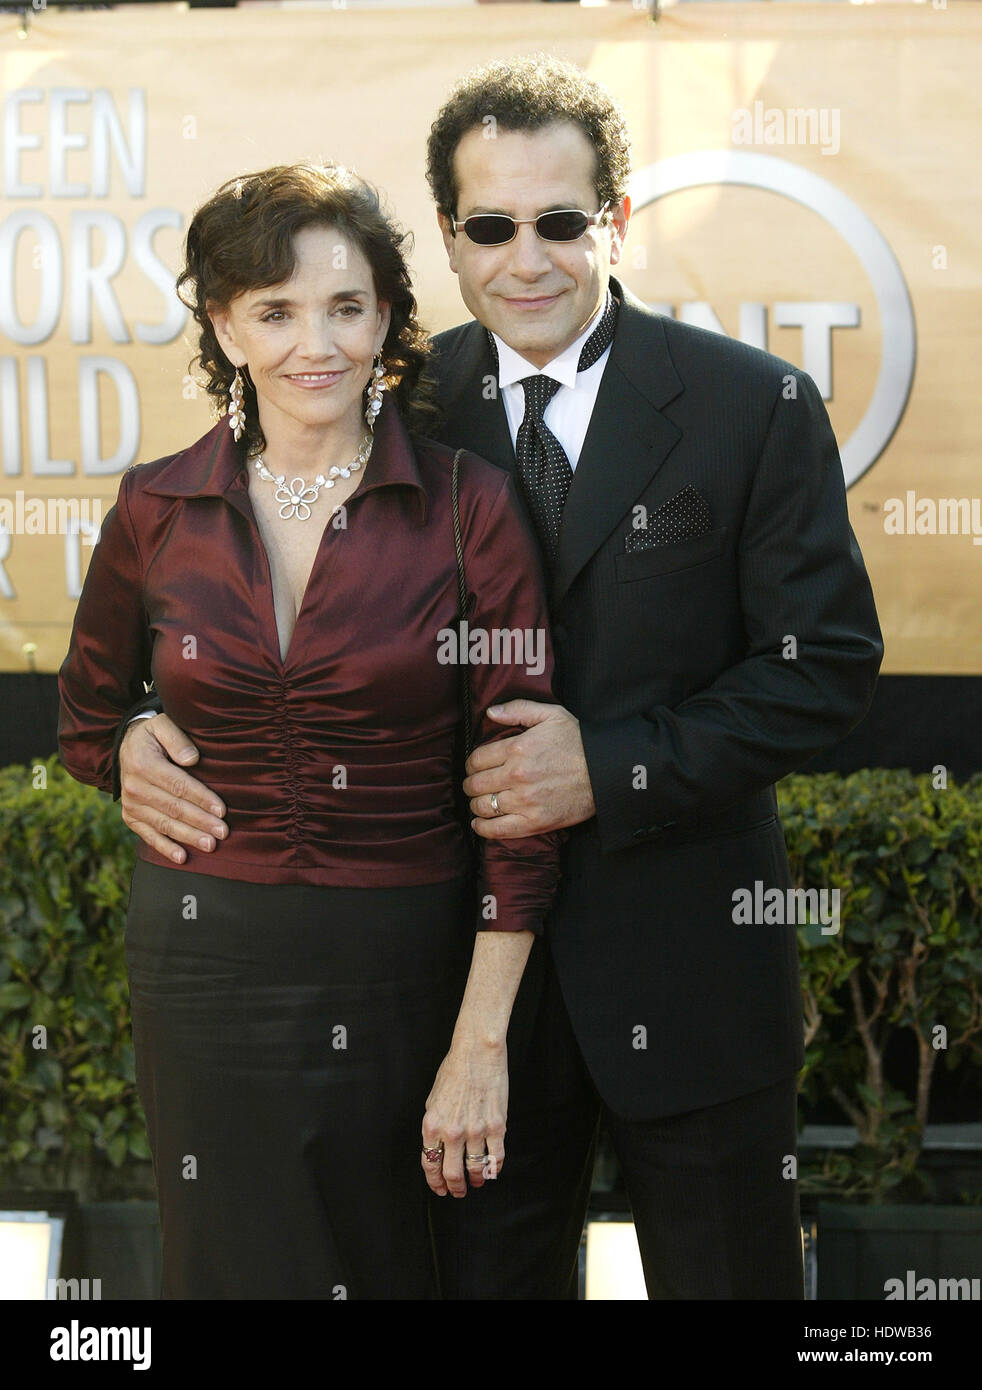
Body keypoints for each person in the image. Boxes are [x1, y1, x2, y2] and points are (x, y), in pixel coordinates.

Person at [111, 57, 884, 1300]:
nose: (526, 259)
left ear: (615, 222)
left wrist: (612, 763)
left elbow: (826, 668)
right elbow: (241, 575)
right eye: (489, 227)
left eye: (560, 222)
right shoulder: (392, 400)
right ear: (450, 241)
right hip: (457, 993)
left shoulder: (752, 405)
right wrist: (145, 721)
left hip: (687, 972)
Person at [57, 161, 564, 1300]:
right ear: (226, 325)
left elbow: (522, 805)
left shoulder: (467, 505)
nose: (315, 344)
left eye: (345, 307)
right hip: (203, 962)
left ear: (386, 317)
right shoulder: (154, 507)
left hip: (408, 965)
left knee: (403, 1261)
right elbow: (84, 721)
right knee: (232, 1266)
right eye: (276, 312)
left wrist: (480, 1040)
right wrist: (135, 736)